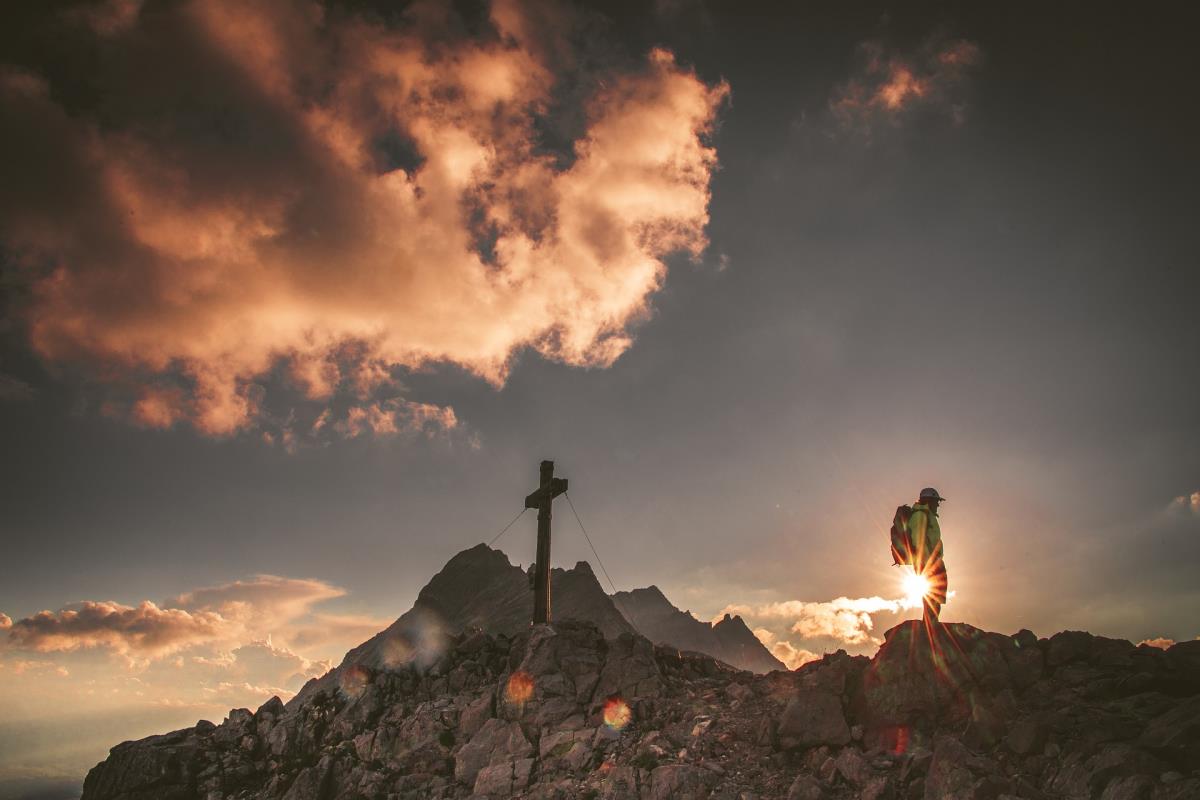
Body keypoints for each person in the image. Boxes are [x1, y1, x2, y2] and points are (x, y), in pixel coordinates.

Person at [909, 487, 948, 623]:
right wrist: (927, 561)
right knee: (932, 594)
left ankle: (931, 622)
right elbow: (917, 539)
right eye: (936, 501)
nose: (938, 505)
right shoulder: (920, 515)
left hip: (932, 561)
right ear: (928, 500)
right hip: (927, 562)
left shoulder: (927, 515)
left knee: (935, 594)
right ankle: (929, 623)